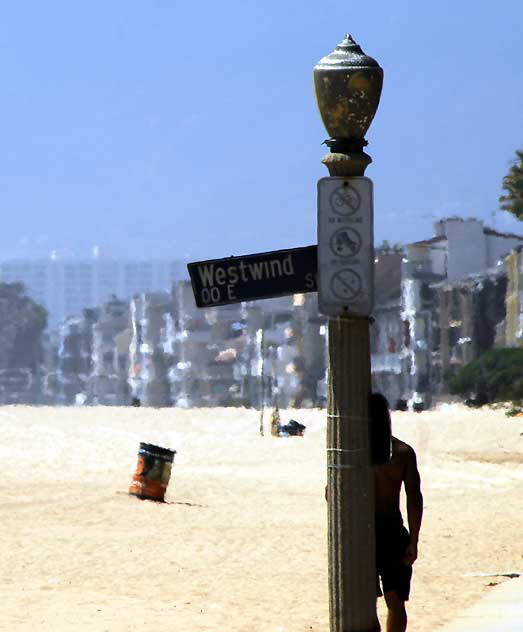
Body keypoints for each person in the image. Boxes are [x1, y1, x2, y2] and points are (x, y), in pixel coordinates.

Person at [370, 392, 423, 632]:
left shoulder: (355, 456)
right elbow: (414, 498)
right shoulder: (402, 452)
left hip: (365, 534)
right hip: (392, 532)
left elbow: (332, 494)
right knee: (395, 602)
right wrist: (413, 540)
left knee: (365, 604)